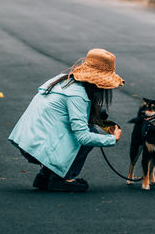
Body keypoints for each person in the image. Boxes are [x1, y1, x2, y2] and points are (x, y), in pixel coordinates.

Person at [8, 48, 124, 193]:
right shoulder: (78, 95)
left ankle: (46, 175)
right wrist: (112, 139)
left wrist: (101, 123)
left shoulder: (63, 79)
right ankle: (63, 179)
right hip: (36, 147)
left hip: (27, 141)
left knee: (81, 129)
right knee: (90, 132)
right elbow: (83, 136)